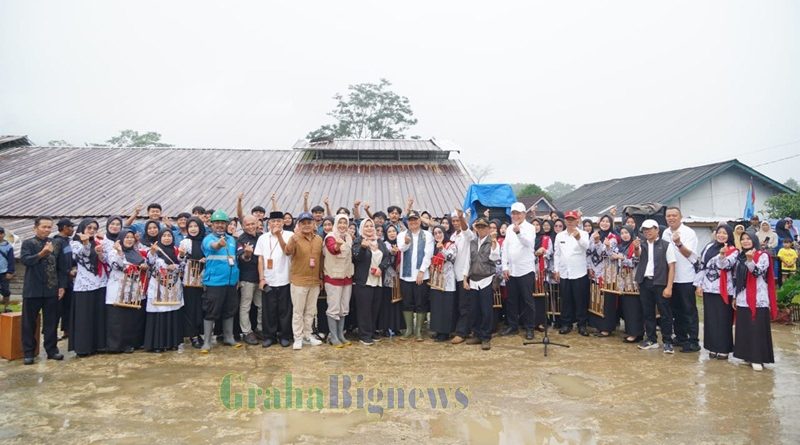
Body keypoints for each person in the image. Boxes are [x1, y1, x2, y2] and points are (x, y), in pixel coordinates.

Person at [20, 217, 67, 365]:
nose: (47, 230)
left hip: (51, 289)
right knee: (29, 323)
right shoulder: (28, 243)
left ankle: (51, 350)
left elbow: (61, 267)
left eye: (49, 227)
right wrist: (42, 253)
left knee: (51, 322)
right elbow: (26, 260)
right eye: (44, 227)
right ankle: (29, 352)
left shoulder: (56, 243)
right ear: (35, 228)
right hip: (32, 290)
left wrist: (62, 286)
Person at [732, 232, 777, 371]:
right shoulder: (740, 257)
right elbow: (736, 279)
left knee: (756, 328)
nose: (745, 241)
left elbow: (757, 273)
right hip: (742, 298)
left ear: (754, 240)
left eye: (748, 239)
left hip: (758, 297)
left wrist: (750, 261)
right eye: (743, 239)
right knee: (745, 327)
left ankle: (758, 358)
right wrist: (735, 296)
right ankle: (747, 356)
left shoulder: (762, 255)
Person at [200, 210, 241, 353]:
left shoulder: (232, 240)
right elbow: (213, 246)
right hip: (214, 282)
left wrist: (237, 279)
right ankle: (207, 341)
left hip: (231, 282)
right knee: (211, 311)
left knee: (229, 310)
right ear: (212, 224)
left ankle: (228, 338)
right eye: (217, 223)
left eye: (222, 223)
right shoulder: (208, 239)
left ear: (226, 225)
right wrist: (218, 244)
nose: (219, 225)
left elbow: (234, 260)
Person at [694, 225, 737, 360]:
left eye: (725, 233)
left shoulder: (733, 251)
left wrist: (723, 255)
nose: (721, 235)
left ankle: (723, 348)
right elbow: (702, 266)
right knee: (710, 319)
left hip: (724, 289)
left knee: (724, 319)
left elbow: (726, 265)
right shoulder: (708, 247)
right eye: (719, 233)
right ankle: (712, 347)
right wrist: (698, 285)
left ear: (730, 235)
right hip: (708, 288)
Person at [634, 219, 677, 353]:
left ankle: (667, 341)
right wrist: (636, 247)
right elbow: (638, 255)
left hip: (660, 282)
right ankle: (651, 339)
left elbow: (672, 266)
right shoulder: (642, 244)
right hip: (645, 281)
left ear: (657, 230)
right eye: (645, 230)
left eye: (650, 229)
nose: (647, 232)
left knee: (665, 313)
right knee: (648, 312)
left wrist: (669, 286)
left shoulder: (666, 245)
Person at [69, 218, 109, 357]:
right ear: (82, 229)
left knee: (99, 316)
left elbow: (105, 261)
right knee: (84, 318)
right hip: (84, 285)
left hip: (101, 283)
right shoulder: (74, 243)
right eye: (89, 228)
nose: (92, 230)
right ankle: (83, 347)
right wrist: (86, 243)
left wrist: (99, 252)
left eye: (94, 228)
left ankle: (99, 345)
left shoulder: (98, 242)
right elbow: (83, 255)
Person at [662, 207, 700, 353]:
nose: (671, 218)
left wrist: (678, 243)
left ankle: (693, 340)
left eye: (674, 215)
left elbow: (690, 255)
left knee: (688, 310)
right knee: (675, 310)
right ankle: (680, 336)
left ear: (680, 217)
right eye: (668, 216)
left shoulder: (689, 233)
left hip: (686, 277)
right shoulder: (665, 232)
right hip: (671, 278)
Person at [285, 212, 324, 350]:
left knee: (311, 311)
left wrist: (321, 277)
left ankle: (308, 335)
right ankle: (298, 337)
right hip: (299, 281)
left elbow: (321, 259)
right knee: (298, 311)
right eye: (303, 223)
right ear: (299, 225)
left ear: (314, 224)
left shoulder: (319, 239)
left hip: (314, 281)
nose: (307, 225)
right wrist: (293, 239)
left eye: (309, 223)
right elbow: (287, 252)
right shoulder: (295, 238)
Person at [105, 229, 148, 353]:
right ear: (121, 239)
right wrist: (119, 252)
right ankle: (116, 345)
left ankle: (132, 343)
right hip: (118, 288)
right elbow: (116, 265)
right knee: (118, 320)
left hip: (133, 289)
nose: (129, 239)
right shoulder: (113, 252)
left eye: (131, 237)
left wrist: (144, 266)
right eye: (126, 237)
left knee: (131, 319)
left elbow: (144, 265)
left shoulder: (137, 253)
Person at [461, 217, 501, 350]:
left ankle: (486, 337)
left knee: (486, 310)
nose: (481, 229)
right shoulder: (472, 242)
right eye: (479, 227)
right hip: (473, 280)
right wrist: (465, 278)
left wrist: (494, 241)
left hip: (486, 279)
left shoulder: (492, 241)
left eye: (484, 227)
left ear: (488, 229)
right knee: (474, 310)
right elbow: (468, 261)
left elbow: (495, 257)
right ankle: (477, 334)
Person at [255, 211, 293, 348]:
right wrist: (261, 278)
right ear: (268, 223)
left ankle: (284, 336)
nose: (276, 224)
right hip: (268, 279)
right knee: (268, 310)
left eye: (278, 221)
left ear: (283, 222)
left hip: (285, 278)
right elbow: (260, 258)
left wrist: (278, 235)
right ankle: (269, 336)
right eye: (273, 221)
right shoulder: (263, 238)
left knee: (285, 310)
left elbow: (289, 252)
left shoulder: (290, 235)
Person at [352, 218, 392, 345]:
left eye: (371, 226)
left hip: (377, 280)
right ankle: (364, 335)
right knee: (364, 309)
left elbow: (387, 257)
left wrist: (381, 268)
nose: (369, 228)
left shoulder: (379, 241)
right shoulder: (358, 241)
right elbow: (357, 258)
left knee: (375, 308)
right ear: (362, 228)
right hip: (364, 281)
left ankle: (372, 330)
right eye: (366, 226)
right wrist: (363, 248)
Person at [143, 229, 184, 352]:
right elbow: (150, 263)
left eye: (169, 236)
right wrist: (152, 252)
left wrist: (180, 258)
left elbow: (183, 265)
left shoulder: (176, 250)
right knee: (158, 313)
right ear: (160, 238)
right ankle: (157, 344)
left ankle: (172, 342)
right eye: (164, 236)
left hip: (173, 287)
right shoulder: (155, 251)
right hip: (158, 287)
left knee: (172, 313)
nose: (167, 238)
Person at [500, 202, 537, 340]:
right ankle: (512, 326)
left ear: (524, 214)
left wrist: (519, 233)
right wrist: (505, 266)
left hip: (526, 269)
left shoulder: (530, 227)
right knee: (511, 300)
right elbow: (505, 248)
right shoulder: (509, 228)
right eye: (513, 213)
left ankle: (529, 327)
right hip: (512, 270)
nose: (515, 216)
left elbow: (529, 243)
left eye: (518, 213)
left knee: (527, 300)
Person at [397, 210, 434, 341]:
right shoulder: (402, 234)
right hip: (406, 275)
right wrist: (406, 242)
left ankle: (418, 331)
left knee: (421, 302)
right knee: (407, 302)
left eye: (415, 220)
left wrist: (422, 271)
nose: (413, 222)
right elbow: (401, 249)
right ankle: (409, 329)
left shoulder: (427, 235)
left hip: (421, 275)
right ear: (407, 222)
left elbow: (428, 254)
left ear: (419, 221)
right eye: (410, 220)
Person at [554, 211, 590, 336]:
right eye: (568, 219)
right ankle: (566, 324)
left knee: (580, 300)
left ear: (577, 221)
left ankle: (582, 325)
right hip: (564, 272)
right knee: (566, 299)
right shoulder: (560, 236)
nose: (570, 221)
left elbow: (586, 247)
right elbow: (557, 254)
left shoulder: (584, 233)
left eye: (572, 219)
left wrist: (578, 237)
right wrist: (556, 269)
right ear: (565, 221)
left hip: (579, 272)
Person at [323, 214, 355, 347]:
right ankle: (333, 336)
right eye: (340, 222)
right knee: (334, 307)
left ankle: (341, 334)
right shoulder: (330, 236)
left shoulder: (348, 237)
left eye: (345, 223)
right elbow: (333, 250)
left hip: (347, 277)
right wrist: (337, 245)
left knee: (344, 307)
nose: (343, 225)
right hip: (333, 277)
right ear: (336, 223)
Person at [609, 226, 642, 343]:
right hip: (623, 280)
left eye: (627, 232)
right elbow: (611, 255)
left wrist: (621, 258)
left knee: (633, 307)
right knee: (627, 307)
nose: (624, 235)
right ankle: (631, 331)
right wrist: (615, 255)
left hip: (632, 280)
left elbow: (635, 261)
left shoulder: (635, 245)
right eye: (622, 233)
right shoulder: (620, 246)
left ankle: (636, 333)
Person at [178, 217, 206, 349]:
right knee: (191, 308)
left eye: (196, 226)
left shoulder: (206, 241)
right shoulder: (185, 242)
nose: (193, 229)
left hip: (204, 279)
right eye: (190, 227)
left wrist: (206, 259)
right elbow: (179, 261)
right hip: (189, 280)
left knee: (201, 307)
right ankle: (192, 335)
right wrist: (182, 256)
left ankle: (201, 332)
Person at [236, 215, 263, 345]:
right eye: (248, 225)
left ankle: (259, 328)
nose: (251, 227)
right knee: (245, 306)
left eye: (253, 224)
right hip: (247, 278)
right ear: (243, 226)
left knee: (261, 305)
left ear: (257, 223)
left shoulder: (261, 237)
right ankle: (247, 332)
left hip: (261, 277)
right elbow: (242, 257)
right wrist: (247, 254)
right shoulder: (241, 240)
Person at [450, 209, 475, 344]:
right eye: (453, 221)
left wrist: (462, 218)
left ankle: (462, 332)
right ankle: (461, 329)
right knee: (457, 305)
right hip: (453, 275)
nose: (456, 223)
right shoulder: (453, 236)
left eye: (458, 220)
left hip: (465, 275)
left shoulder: (468, 234)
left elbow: (465, 229)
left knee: (464, 305)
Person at [378, 224, 404, 337]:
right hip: (387, 278)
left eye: (394, 231)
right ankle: (385, 327)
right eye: (389, 231)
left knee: (397, 302)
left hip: (399, 277)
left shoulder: (401, 245)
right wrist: (392, 254)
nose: (392, 233)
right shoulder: (383, 245)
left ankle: (396, 327)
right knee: (386, 303)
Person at [52, 219, 75, 338]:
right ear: (65, 227)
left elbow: (70, 260)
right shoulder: (56, 242)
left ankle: (67, 331)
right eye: (71, 227)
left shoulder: (68, 242)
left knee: (68, 307)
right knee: (56, 309)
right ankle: (52, 333)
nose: (73, 229)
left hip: (68, 281)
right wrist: (67, 271)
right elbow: (53, 262)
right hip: (59, 281)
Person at [0, 226, 15, 312]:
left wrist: (10, 271)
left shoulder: (8, 247)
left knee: (5, 290)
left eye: (1, 233)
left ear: (3, 234)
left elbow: (11, 260)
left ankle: (6, 307)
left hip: (4, 271)